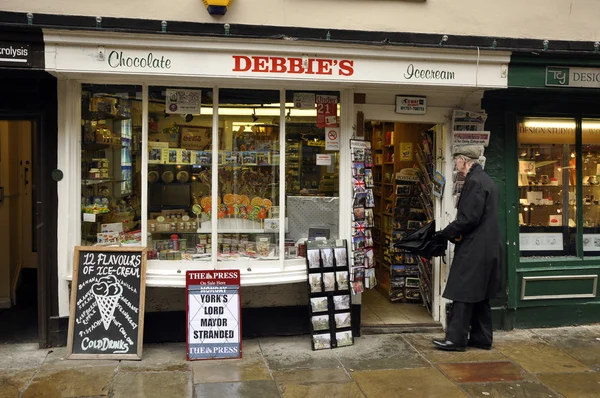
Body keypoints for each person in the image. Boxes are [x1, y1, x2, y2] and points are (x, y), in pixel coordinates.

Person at [432, 145, 502, 352]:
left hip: (475, 248)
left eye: (456, 161)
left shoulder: (474, 182)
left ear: (463, 160)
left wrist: (446, 233)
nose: (455, 165)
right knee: (480, 294)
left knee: (462, 291)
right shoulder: (487, 181)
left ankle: (456, 340)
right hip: (488, 247)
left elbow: (469, 218)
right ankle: (481, 338)